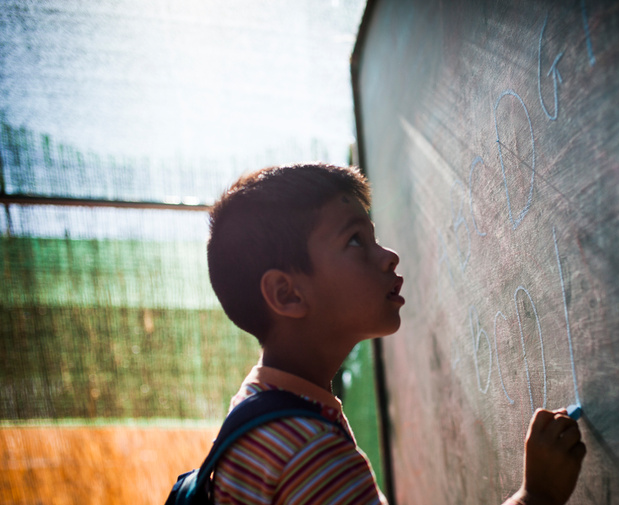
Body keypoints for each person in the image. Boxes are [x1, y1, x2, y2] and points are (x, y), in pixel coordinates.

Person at [206, 163, 586, 505]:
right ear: (287, 294)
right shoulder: (309, 452)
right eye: (355, 240)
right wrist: (537, 497)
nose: (389, 255)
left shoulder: (259, 409)